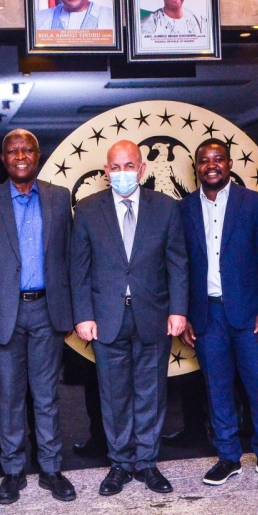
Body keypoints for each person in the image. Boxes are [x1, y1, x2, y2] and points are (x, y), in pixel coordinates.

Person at [70, 140, 188, 495]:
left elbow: (177, 263)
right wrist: (83, 315)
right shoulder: (88, 209)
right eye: (115, 167)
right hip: (106, 318)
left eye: (129, 166)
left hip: (153, 315)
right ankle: (120, 464)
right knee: (114, 394)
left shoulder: (166, 208)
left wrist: (179, 309)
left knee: (151, 393)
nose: (122, 173)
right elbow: (79, 268)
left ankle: (147, 463)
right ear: (106, 173)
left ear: (142, 169)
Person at [0, 129, 77, 505]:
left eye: (26, 150)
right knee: (11, 396)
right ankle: (13, 471)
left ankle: (50, 469)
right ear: (3, 158)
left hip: (49, 309)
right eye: (12, 151)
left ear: (38, 154)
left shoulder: (59, 198)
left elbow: (70, 259)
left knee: (46, 395)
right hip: (3, 312)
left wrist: (73, 312)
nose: (19, 156)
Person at [180, 139, 258, 488]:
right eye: (204, 160)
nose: (211, 165)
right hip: (206, 315)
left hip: (250, 315)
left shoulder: (254, 203)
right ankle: (228, 456)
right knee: (217, 388)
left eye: (218, 159)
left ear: (229, 164)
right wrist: (183, 314)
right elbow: (179, 265)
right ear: (196, 167)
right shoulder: (183, 208)